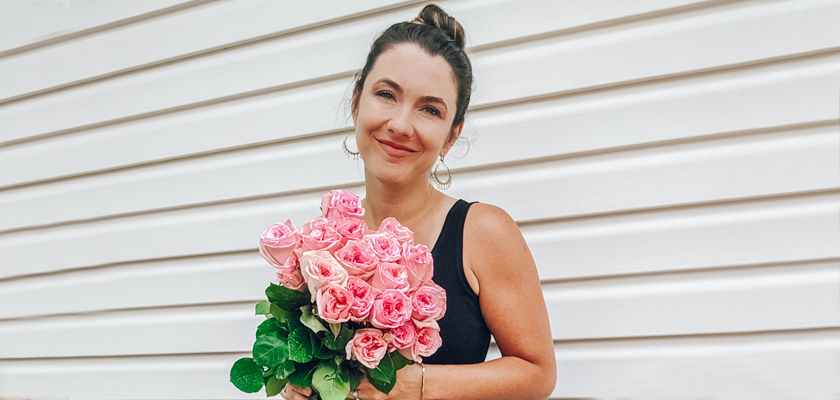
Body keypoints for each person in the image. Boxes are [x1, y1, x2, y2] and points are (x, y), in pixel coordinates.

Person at [281, 4, 556, 399]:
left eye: (429, 109)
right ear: (357, 101)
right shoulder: (325, 245)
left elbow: (538, 373)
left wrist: (419, 386)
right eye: (386, 94)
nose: (400, 124)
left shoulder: (482, 231)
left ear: (451, 136)